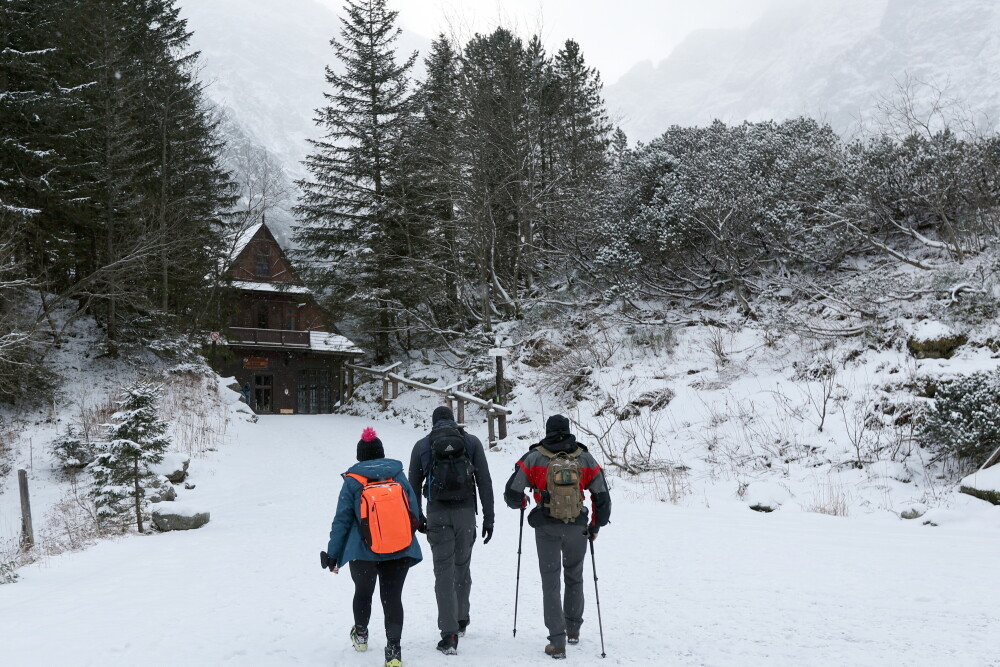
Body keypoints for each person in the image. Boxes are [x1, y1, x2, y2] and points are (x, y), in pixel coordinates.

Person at [503, 414, 611, 660]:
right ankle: (573, 629)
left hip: (547, 527)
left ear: (548, 430)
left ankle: (557, 641)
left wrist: (522, 501)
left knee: (550, 582)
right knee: (575, 576)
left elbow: (511, 494)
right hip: (577, 527)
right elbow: (602, 496)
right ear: (568, 430)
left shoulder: (534, 457)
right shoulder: (584, 457)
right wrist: (595, 525)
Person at [326, 427, 422, 667]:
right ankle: (394, 652)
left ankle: (360, 634)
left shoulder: (353, 480)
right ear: (381, 453)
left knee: (363, 592)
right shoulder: (397, 475)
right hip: (400, 548)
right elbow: (414, 511)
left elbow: (342, 520)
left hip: (362, 551)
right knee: (392, 597)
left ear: (360, 456)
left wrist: (333, 554)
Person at [408, 405, 495, 655]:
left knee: (443, 572)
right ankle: (461, 619)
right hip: (466, 513)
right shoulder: (471, 442)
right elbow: (485, 481)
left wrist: (418, 519)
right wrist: (489, 518)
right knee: (462, 566)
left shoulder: (423, 446)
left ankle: (449, 634)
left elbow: (412, 486)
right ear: (453, 421)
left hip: (437, 514)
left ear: (433, 422)